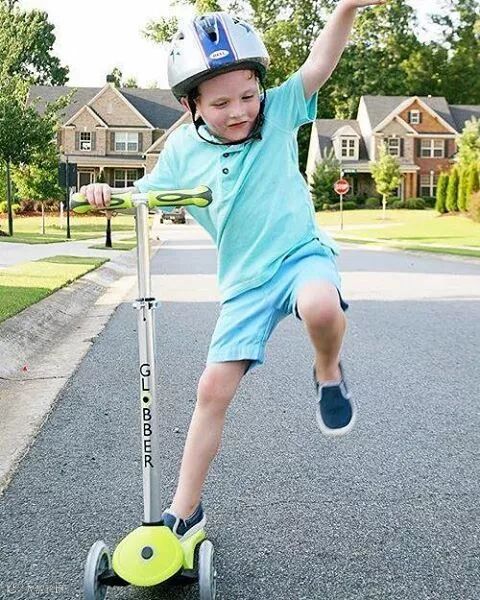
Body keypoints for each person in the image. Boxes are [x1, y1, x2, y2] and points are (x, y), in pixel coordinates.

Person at [82, 0, 385, 540]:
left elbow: (320, 61)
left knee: (321, 306)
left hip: (300, 256)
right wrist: (103, 192)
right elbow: (144, 194)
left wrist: (345, 8)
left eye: (248, 95)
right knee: (211, 390)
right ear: (192, 105)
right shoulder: (181, 151)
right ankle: (185, 510)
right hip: (244, 285)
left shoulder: (281, 111)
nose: (240, 111)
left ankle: (328, 371)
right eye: (221, 103)